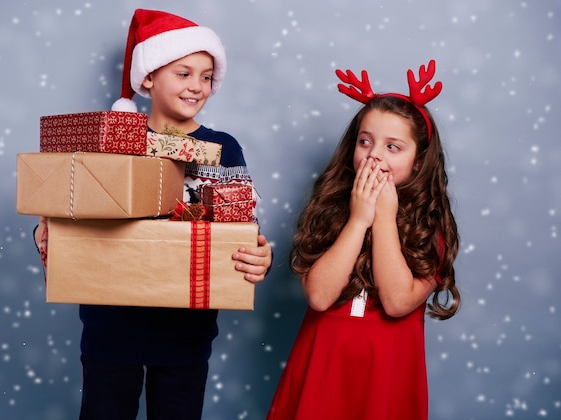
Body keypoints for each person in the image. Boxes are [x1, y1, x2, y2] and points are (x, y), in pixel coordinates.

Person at [35, 9, 272, 420]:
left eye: (206, 76)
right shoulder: (111, 140)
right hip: (111, 326)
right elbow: (73, 208)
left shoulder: (223, 149)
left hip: (186, 332)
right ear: (148, 77)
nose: (197, 86)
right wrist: (49, 231)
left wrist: (257, 254)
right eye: (184, 73)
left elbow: (239, 229)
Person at [266, 60, 460, 420]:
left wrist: (384, 217)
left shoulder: (428, 227)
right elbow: (320, 297)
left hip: (386, 372)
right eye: (366, 141)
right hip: (323, 363)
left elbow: (398, 302)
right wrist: (358, 219)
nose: (374, 155)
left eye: (393, 147)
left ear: (419, 162)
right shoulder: (329, 209)